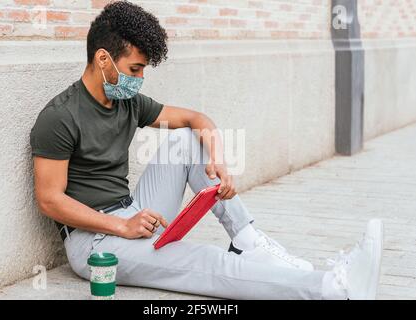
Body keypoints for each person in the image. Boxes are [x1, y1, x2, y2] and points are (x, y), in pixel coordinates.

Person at [30, 1, 383, 300]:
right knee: (209, 263)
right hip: (95, 244)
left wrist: (217, 161)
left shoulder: (129, 103)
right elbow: (50, 200)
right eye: (134, 69)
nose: (139, 78)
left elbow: (197, 119)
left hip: (132, 212)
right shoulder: (60, 117)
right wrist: (121, 227)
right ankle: (332, 287)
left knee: (186, 138)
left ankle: (246, 238)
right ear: (103, 59)